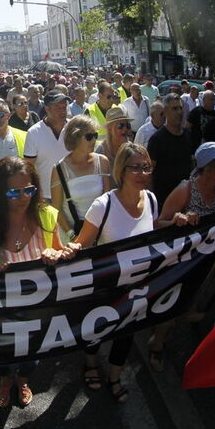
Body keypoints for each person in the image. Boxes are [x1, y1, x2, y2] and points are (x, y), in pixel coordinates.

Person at [0, 156, 67, 407]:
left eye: (29, 190)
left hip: (37, 310)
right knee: (2, 353)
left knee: (31, 354)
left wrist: (54, 254)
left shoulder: (46, 215)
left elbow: (60, 252)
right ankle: (4, 380)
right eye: (14, 192)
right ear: (0, 192)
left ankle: (22, 380)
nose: (24, 197)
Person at [69, 143, 159, 404]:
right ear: (121, 170)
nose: (143, 173)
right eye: (137, 168)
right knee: (97, 328)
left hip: (137, 283)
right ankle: (90, 364)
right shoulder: (103, 204)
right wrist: (62, 251)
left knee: (126, 333)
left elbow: (156, 229)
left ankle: (114, 377)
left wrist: (177, 220)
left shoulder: (151, 199)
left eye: (147, 167)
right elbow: (82, 243)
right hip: (106, 284)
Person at [149, 142, 215, 369]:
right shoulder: (185, 190)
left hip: (209, 262)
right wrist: (177, 220)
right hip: (182, 263)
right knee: (172, 310)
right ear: (209, 168)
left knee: (196, 313)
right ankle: (157, 345)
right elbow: (158, 224)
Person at [50, 115, 110, 242]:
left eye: (96, 135)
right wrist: (72, 236)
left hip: (101, 233)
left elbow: (108, 200)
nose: (94, 140)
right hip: (71, 238)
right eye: (89, 136)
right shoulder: (59, 169)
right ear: (75, 138)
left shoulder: (103, 162)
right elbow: (57, 209)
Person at [147, 93, 193, 207]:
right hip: (163, 200)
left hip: (185, 199)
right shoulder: (156, 139)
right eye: (174, 108)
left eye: (180, 108)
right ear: (165, 111)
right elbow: (148, 173)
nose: (179, 112)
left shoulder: (188, 135)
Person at [24, 91, 70, 201]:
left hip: (72, 195)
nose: (62, 110)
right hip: (45, 197)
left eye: (64, 106)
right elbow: (28, 168)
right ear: (47, 109)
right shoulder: (33, 132)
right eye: (58, 107)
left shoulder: (74, 128)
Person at [96, 106, 135, 188]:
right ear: (109, 129)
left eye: (127, 125)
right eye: (120, 126)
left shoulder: (130, 148)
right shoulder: (101, 151)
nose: (125, 129)